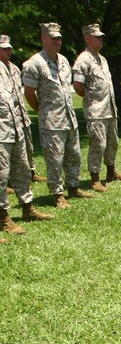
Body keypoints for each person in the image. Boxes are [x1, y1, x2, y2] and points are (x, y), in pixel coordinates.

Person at [22, 22, 93, 209]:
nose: (58, 41)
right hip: (51, 121)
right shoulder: (34, 63)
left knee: (74, 155)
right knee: (54, 159)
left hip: (69, 118)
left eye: (59, 38)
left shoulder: (63, 61)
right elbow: (29, 93)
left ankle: (74, 187)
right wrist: (42, 111)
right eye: (53, 38)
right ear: (43, 39)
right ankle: (57, 194)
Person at [0, 34, 53, 237]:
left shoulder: (14, 70)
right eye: (3, 48)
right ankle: (3, 216)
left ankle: (27, 207)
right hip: (1, 132)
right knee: (2, 175)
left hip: (17, 128)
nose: (8, 51)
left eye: (9, 48)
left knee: (23, 169)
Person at [73, 22, 121, 191]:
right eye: (98, 37)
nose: (101, 39)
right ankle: (94, 178)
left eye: (101, 37)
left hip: (109, 109)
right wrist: (92, 100)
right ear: (87, 38)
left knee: (112, 142)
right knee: (98, 145)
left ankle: (111, 172)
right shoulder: (83, 60)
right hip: (96, 111)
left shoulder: (102, 59)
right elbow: (78, 86)